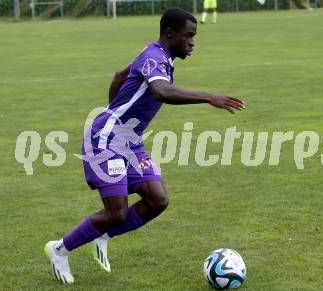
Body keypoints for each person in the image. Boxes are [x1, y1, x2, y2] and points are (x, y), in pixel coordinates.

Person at [44, 7, 245, 284]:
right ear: (170, 33)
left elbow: (118, 76)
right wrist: (210, 97)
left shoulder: (157, 56)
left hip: (130, 141)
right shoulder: (153, 57)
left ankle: (103, 235)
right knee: (117, 212)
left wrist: (113, 108)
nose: (192, 42)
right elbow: (161, 91)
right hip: (106, 141)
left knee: (157, 199)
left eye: (194, 36)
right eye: (188, 36)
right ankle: (59, 249)